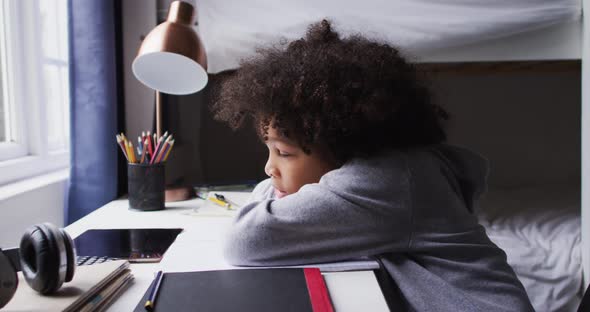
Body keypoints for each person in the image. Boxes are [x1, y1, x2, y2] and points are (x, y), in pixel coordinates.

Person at [211, 19, 534, 311]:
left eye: (284, 152)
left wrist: (271, 194)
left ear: (342, 143)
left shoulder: (384, 181)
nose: (270, 169)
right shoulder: (404, 168)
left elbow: (246, 241)